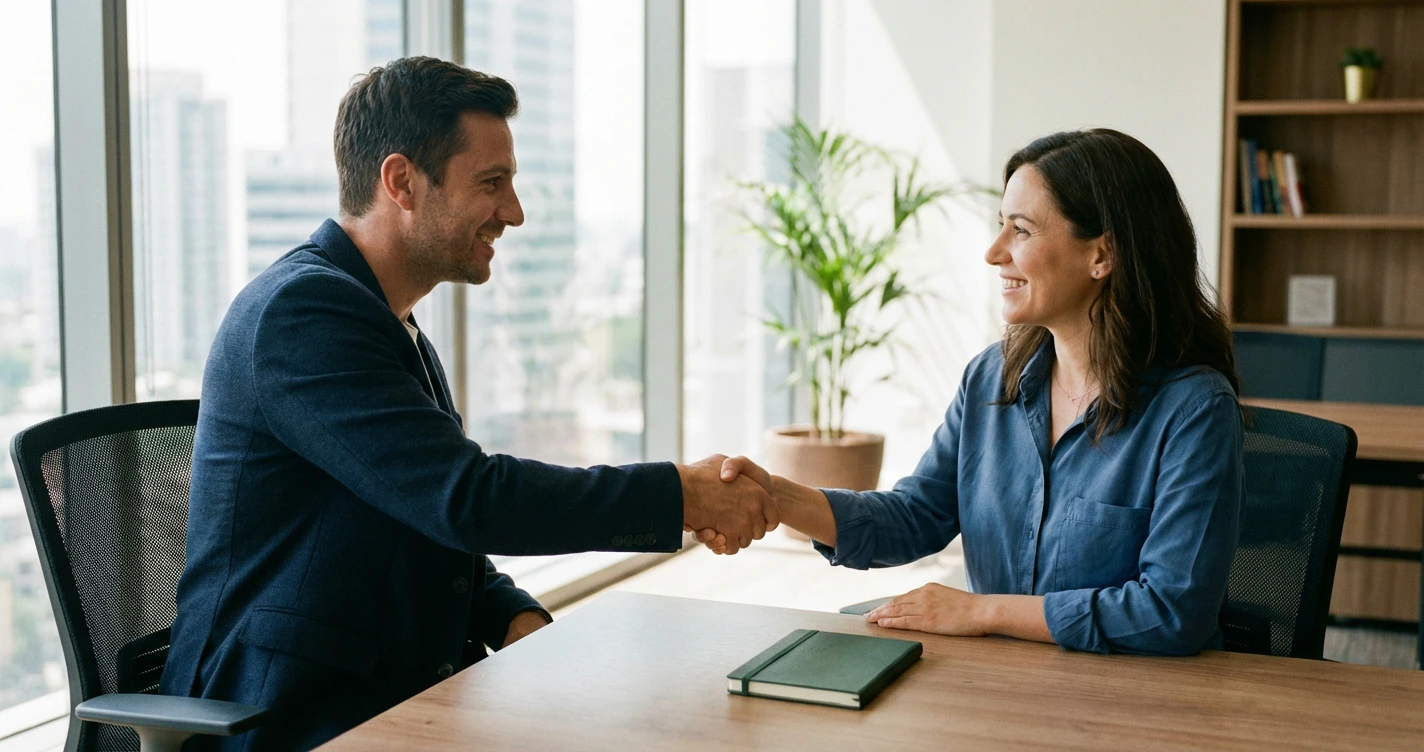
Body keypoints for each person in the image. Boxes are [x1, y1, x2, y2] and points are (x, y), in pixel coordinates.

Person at [159, 57, 777, 751]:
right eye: (491, 183)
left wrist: (512, 616)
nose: (513, 212)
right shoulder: (303, 314)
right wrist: (682, 495)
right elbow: (466, 498)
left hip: (387, 693)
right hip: (280, 716)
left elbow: (423, 516)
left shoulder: (384, 319)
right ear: (401, 182)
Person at [701, 128, 1243, 657]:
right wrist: (774, 495)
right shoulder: (990, 378)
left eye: (1021, 230)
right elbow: (915, 517)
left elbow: (1171, 611)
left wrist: (982, 612)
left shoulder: (1194, 410)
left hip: (1136, 698)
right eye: (1000, 226)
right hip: (993, 683)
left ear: (1101, 255)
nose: (993, 252)